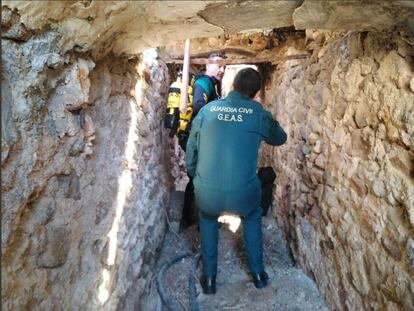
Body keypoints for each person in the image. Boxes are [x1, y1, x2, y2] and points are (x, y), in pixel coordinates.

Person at [185, 68, 287, 294]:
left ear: (232, 85)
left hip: (207, 193)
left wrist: (195, 176)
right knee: (252, 216)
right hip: (244, 194)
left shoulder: (208, 110)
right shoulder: (258, 113)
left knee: (208, 218)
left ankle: (209, 279)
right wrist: (263, 113)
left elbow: (192, 149)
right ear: (256, 92)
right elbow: (280, 138)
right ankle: (259, 274)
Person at [179, 52, 226, 231]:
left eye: (224, 67)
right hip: (198, 141)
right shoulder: (203, 83)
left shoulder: (213, 85)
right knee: (201, 180)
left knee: (197, 179)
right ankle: (199, 221)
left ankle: (189, 219)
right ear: (207, 65)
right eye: (218, 65)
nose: (221, 70)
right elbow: (199, 106)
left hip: (202, 139)